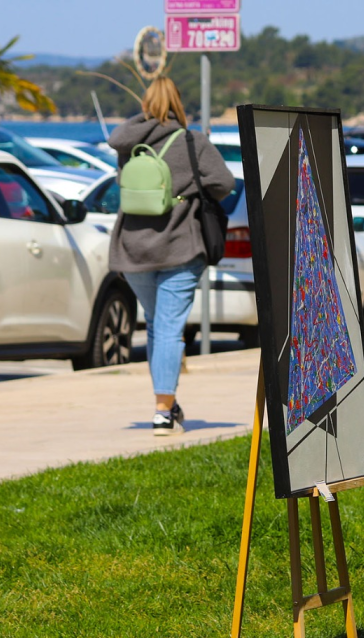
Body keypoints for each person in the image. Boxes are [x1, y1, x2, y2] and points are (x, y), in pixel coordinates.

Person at [109, 77, 235, 436]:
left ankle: (168, 403)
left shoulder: (128, 144)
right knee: (167, 330)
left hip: (133, 247)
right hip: (180, 245)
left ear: (146, 103)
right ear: (179, 104)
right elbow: (224, 184)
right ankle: (162, 411)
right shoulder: (192, 141)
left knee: (155, 326)